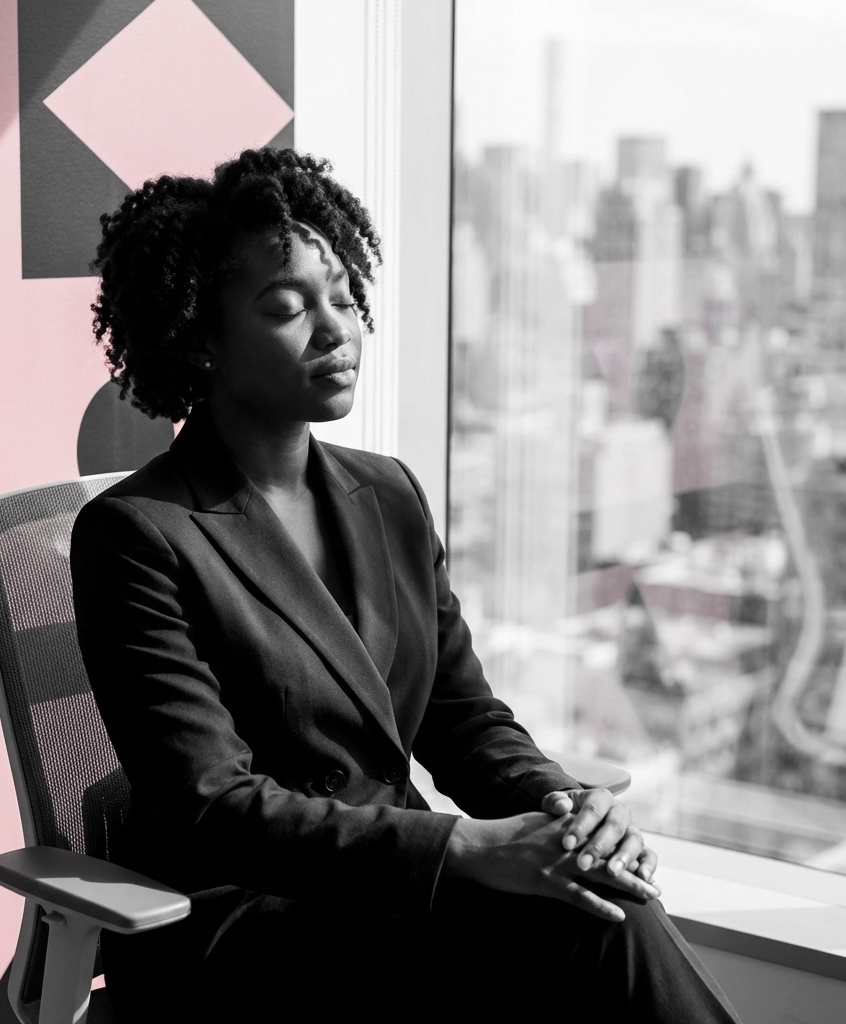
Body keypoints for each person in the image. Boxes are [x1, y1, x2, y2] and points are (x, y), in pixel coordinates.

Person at [70, 147, 740, 1022]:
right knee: (594, 928)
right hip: (246, 925)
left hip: (395, 887)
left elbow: (465, 721)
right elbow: (213, 808)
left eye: (344, 298)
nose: (335, 330)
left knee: (600, 894)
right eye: (287, 309)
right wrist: (464, 847)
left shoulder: (388, 494)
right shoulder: (138, 534)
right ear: (200, 337)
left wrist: (567, 810)